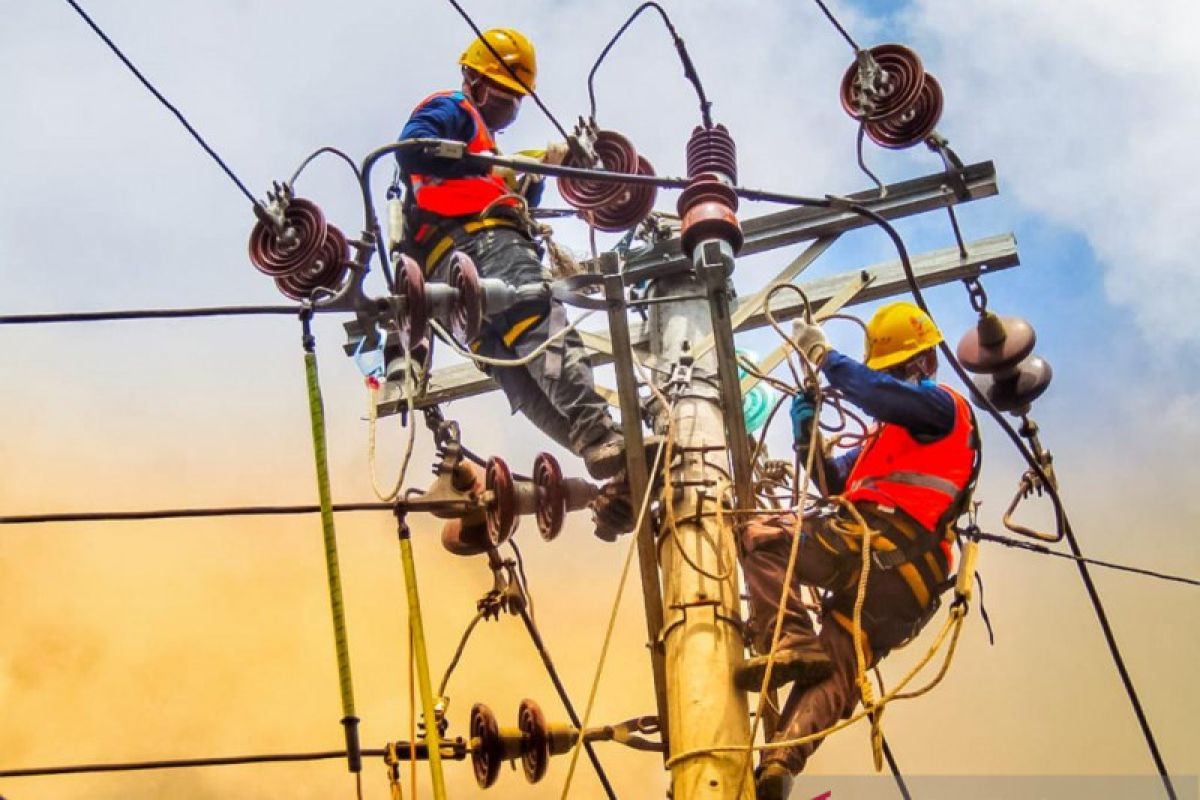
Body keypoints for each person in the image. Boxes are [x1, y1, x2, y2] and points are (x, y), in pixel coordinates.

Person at [737, 301, 981, 800]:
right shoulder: (880, 441)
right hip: (901, 587)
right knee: (836, 664)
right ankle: (780, 763)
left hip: (880, 549)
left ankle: (789, 639)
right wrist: (806, 428)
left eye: (899, 371)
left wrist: (826, 358)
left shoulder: (945, 409)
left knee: (760, 537)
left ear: (925, 364)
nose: (899, 380)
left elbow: (879, 395)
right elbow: (829, 480)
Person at [395, 28, 626, 480]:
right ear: (473, 81)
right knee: (538, 320)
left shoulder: (485, 150)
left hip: (453, 281)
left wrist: (528, 176)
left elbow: (501, 196)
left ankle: (597, 450)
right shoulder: (453, 108)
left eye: (514, 101)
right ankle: (598, 434)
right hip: (484, 247)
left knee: (516, 372)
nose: (508, 108)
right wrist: (497, 166)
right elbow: (414, 150)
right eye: (502, 97)